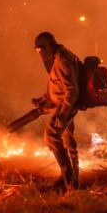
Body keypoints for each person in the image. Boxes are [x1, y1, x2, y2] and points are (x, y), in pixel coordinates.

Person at [32, 31, 80, 191]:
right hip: (63, 105)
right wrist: (44, 99)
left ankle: (70, 182)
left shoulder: (61, 59)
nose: (39, 53)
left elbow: (72, 89)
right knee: (68, 140)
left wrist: (63, 113)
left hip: (66, 106)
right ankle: (71, 180)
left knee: (51, 135)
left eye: (40, 49)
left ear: (48, 46)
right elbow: (58, 85)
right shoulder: (57, 57)